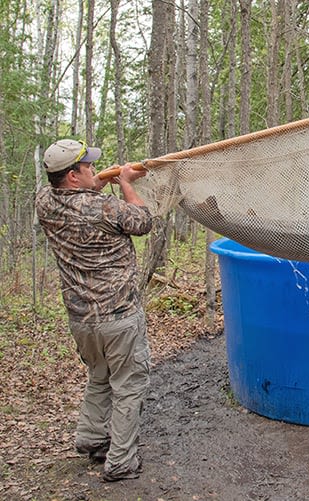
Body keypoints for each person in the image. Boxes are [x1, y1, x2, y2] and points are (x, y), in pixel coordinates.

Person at [35, 139, 153, 482]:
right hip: (118, 318)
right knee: (129, 384)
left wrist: (97, 182)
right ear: (72, 177)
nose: (92, 169)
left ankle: (90, 438)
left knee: (100, 375)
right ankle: (120, 461)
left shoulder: (44, 201)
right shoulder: (104, 209)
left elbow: (77, 195)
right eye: (87, 167)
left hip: (81, 321)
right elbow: (142, 220)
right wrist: (127, 183)